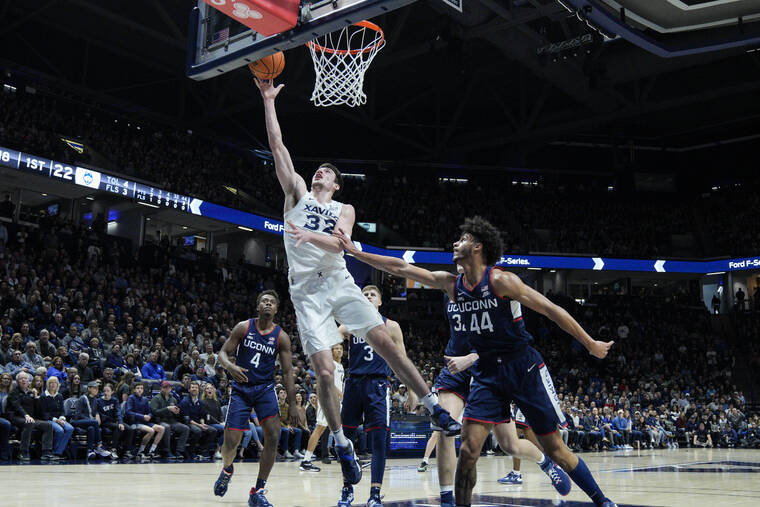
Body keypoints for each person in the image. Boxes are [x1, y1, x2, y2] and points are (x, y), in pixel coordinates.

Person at [254, 77, 460, 491]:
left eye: (328, 172)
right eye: (320, 169)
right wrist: (268, 100)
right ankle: (345, 447)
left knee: (384, 339)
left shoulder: (344, 208)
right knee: (326, 374)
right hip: (305, 291)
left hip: (336, 279)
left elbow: (341, 243)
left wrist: (311, 237)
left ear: (336, 184)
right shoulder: (296, 193)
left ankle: (434, 407)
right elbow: (278, 147)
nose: (321, 172)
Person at [335, 216, 617, 507]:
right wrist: (356, 252)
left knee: (555, 448)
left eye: (463, 239)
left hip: (522, 367)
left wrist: (590, 344)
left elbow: (551, 309)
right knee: (468, 450)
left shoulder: (501, 280)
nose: (455, 243)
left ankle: (602, 500)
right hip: (486, 374)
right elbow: (402, 267)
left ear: (478, 247)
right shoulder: (452, 285)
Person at [213, 290, 302, 507]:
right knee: (230, 444)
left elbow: (288, 372)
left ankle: (258, 490)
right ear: (258, 306)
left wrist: (292, 404)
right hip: (241, 390)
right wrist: (230, 366)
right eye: (264, 301)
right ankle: (227, 468)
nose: (268, 304)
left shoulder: (281, 337)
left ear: (277, 309)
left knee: (273, 435)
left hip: (264, 389)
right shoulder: (244, 327)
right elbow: (222, 353)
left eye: (272, 302)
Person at [334, 285, 414, 507]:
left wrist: (411, 391)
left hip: (378, 385)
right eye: (364, 295)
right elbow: (332, 336)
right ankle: (347, 489)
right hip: (354, 384)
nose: (368, 296)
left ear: (380, 302)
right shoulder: (352, 324)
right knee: (345, 441)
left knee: (379, 442)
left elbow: (402, 361)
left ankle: (375, 494)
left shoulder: (392, 326)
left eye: (372, 295)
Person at [301, 343, 345, 471]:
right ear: (331, 351)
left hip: (337, 400)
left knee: (341, 429)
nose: (339, 351)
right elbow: (328, 382)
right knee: (320, 428)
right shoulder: (329, 363)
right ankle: (306, 460)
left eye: (341, 349)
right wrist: (342, 394)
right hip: (327, 399)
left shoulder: (340, 365)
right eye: (336, 349)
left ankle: (347, 456)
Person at [7, 371, 54, 461]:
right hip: (16, 417)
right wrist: (26, 415)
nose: (23, 380)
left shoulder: (30, 392)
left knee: (48, 425)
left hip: (31, 418)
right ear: (17, 381)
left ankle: (46, 452)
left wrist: (36, 398)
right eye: (21, 378)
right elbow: (17, 406)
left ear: (29, 381)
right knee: (29, 423)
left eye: (25, 378)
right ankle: (23, 452)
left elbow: (38, 410)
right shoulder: (13, 392)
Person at [150, 380, 190, 460]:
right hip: (160, 421)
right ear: (161, 388)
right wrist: (167, 408)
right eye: (165, 387)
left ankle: (179, 451)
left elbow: (177, 413)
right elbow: (154, 412)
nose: (167, 389)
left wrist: (177, 412)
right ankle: (166, 451)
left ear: (171, 388)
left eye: (168, 387)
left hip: (172, 421)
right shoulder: (156, 398)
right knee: (166, 427)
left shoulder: (173, 399)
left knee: (185, 428)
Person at [125, 382, 166, 459]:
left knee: (162, 429)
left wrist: (149, 416)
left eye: (141, 388)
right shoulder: (131, 398)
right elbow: (128, 412)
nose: (140, 390)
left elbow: (150, 412)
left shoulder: (145, 399)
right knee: (151, 431)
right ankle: (140, 451)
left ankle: (151, 451)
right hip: (135, 422)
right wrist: (142, 416)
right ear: (134, 390)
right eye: (138, 388)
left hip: (145, 422)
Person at [72, 381, 112, 459]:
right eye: (94, 388)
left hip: (90, 423)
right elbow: (78, 414)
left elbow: (95, 411)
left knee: (91, 428)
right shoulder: (82, 398)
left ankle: (89, 451)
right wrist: (90, 420)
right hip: (77, 421)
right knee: (94, 422)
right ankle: (99, 446)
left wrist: (97, 414)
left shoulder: (95, 399)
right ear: (89, 388)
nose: (96, 390)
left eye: (97, 388)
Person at [180, 380, 218, 460]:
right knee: (198, 431)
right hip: (188, 423)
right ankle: (191, 450)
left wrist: (203, 423)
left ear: (198, 390)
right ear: (189, 390)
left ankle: (203, 449)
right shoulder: (185, 401)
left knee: (213, 430)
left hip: (198, 423)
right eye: (192, 387)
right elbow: (187, 419)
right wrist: (199, 425)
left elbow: (201, 415)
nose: (194, 389)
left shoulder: (200, 402)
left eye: (196, 388)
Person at [40, 375, 74, 460]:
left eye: (55, 383)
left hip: (59, 419)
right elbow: (44, 413)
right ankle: (54, 451)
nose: (53, 384)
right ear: (48, 384)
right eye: (51, 383)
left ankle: (58, 452)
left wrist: (62, 418)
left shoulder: (59, 396)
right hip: (48, 419)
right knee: (59, 430)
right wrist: (56, 420)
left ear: (58, 385)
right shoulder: (43, 396)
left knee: (70, 428)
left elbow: (62, 410)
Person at [96, 383, 134, 459]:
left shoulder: (114, 400)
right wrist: (118, 423)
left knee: (130, 429)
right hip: (105, 422)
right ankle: (113, 449)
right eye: (104, 391)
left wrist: (120, 422)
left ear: (112, 392)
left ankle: (127, 451)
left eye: (108, 391)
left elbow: (118, 412)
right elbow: (101, 415)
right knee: (118, 428)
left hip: (114, 422)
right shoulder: (99, 401)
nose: (106, 392)